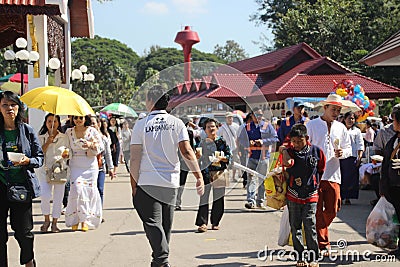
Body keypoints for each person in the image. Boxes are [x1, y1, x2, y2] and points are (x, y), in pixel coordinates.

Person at [130, 85, 204, 267]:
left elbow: (135, 157)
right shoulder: (177, 123)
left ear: (149, 102)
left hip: (147, 181)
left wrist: (133, 184)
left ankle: (161, 259)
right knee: (165, 224)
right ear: (166, 102)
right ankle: (160, 261)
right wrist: (198, 175)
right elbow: (187, 151)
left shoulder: (141, 124)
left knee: (153, 223)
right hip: (170, 181)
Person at [0, 91, 44, 267]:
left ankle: (28, 261)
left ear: (19, 108)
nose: (9, 108)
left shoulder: (27, 131)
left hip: (21, 187)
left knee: (24, 232)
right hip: (1, 185)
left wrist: (28, 161)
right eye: (5, 105)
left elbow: (39, 157)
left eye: (13, 105)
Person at [306, 94, 352, 255]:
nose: (336, 112)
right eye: (333, 109)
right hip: (314, 175)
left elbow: (348, 149)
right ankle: (323, 243)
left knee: (333, 208)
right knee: (317, 210)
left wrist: (342, 153)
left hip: (333, 174)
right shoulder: (311, 125)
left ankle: (316, 230)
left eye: (338, 110)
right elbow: (305, 147)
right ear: (325, 108)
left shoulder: (341, 127)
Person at [280, 124, 326, 267]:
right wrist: (284, 150)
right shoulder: (290, 152)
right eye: (294, 141)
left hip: (311, 194)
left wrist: (314, 184)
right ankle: (300, 256)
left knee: (310, 224)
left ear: (306, 138)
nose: (297, 144)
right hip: (293, 194)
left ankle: (314, 257)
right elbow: (286, 166)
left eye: (300, 141)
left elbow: (321, 169)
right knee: (295, 226)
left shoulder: (317, 152)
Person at [65, 115, 104, 231]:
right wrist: (65, 153)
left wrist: (90, 145)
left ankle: (85, 221)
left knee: (88, 191)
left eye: (80, 118)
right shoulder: (69, 132)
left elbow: (101, 146)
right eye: (76, 118)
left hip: (90, 165)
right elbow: (66, 147)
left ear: (85, 119)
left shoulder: (92, 131)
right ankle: (75, 219)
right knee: (76, 190)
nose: (78, 120)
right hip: (75, 164)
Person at [238, 107, 279, 209]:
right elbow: (241, 139)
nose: (258, 117)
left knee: (262, 179)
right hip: (251, 156)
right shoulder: (247, 127)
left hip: (264, 156)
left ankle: (260, 201)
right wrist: (248, 142)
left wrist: (263, 141)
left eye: (260, 115)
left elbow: (275, 138)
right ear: (252, 116)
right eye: (256, 115)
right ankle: (250, 201)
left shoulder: (267, 126)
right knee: (251, 179)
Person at [195, 118, 231, 233]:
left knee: (219, 198)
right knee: (204, 198)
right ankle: (202, 223)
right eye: (208, 127)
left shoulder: (222, 142)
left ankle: (215, 222)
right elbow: (196, 157)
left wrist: (222, 158)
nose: (211, 129)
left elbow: (229, 156)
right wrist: (197, 155)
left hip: (219, 173)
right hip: (205, 173)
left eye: (213, 127)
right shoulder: (202, 142)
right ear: (205, 130)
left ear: (217, 128)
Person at [37, 113, 69, 233]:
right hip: (45, 169)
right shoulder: (41, 137)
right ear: (46, 123)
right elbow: (39, 152)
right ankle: (46, 219)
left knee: (58, 197)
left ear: (59, 123)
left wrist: (66, 155)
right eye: (49, 121)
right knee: (45, 195)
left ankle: (55, 222)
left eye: (54, 121)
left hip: (59, 169)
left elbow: (68, 151)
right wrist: (48, 142)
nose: (52, 124)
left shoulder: (64, 137)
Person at [381, 107, 400, 259]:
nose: (392, 122)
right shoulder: (394, 140)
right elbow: (386, 162)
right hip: (393, 186)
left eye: (394, 119)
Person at [340, 112, 364, 205]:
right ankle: (340, 197)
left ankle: (348, 197)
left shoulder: (357, 131)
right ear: (344, 119)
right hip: (342, 157)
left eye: (353, 119)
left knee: (351, 178)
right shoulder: (340, 129)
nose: (351, 120)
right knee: (341, 177)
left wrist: (359, 156)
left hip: (352, 157)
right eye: (349, 118)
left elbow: (360, 144)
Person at [90, 116, 114, 209]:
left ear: (98, 124)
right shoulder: (86, 138)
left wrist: (111, 168)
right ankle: (90, 211)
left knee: (100, 189)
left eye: (94, 123)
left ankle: (98, 211)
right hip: (89, 168)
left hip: (101, 167)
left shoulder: (103, 138)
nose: (92, 125)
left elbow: (108, 154)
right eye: (90, 123)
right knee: (91, 191)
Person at [175, 116, 195, 211]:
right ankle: (176, 202)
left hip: (182, 160)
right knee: (179, 181)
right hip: (178, 159)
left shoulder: (189, 133)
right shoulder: (176, 132)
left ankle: (177, 201)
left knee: (180, 181)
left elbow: (191, 147)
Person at [217, 112, 239, 181]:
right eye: (229, 117)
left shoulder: (236, 126)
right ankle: (226, 177)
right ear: (226, 118)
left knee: (235, 162)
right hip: (226, 148)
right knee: (226, 163)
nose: (230, 119)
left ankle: (233, 177)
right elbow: (218, 136)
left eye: (231, 117)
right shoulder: (222, 128)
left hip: (235, 147)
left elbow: (238, 136)